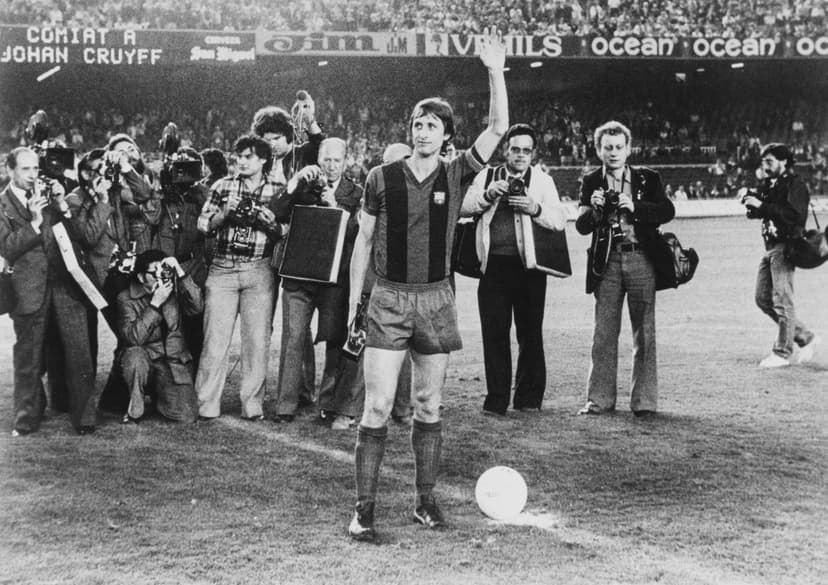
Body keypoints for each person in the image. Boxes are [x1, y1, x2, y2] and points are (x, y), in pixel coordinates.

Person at [346, 27, 508, 542]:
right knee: (376, 406)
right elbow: (363, 244)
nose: (422, 132)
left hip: (437, 299)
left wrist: (495, 71)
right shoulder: (381, 176)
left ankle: (425, 501)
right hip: (389, 298)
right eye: (417, 124)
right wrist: (356, 304)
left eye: (432, 125)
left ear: (446, 136)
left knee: (428, 405)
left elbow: (499, 127)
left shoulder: (456, 174)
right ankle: (364, 509)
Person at [460, 123, 567, 416]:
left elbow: (559, 220)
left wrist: (535, 208)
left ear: (533, 154)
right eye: (515, 149)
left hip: (530, 267)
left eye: (526, 151)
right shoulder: (486, 175)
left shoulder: (543, 181)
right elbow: (462, 207)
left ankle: (528, 398)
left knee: (530, 333)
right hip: (493, 266)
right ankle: (496, 399)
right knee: (494, 332)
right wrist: (488, 195)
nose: (520, 155)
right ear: (505, 150)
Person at [574, 121, 675, 419]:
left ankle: (644, 402)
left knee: (645, 331)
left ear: (629, 149)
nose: (614, 152)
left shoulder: (647, 178)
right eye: (608, 147)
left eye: (619, 147)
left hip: (642, 258)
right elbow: (581, 226)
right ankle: (599, 400)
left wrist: (636, 207)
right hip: (607, 262)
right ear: (599, 150)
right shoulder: (591, 180)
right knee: (604, 332)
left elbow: (667, 211)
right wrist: (594, 211)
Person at [0, 147, 97, 435]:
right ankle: (26, 420)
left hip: (65, 282)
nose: (33, 175)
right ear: (10, 170)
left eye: (35, 168)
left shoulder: (48, 193)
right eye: (25, 169)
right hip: (27, 288)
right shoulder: (2, 204)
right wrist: (34, 223)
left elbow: (77, 236)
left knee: (80, 352)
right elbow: (6, 248)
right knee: (28, 358)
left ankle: (85, 418)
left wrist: (62, 205)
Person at [272, 137, 363, 423]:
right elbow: (276, 211)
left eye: (337, 160)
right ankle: (286, 405)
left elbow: (357, 234)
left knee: (334, 341)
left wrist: (334, 205)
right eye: (326, 159)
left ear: (346, 162)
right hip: (299, 277)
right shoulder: (303, 184)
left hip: (335, 279)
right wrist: (296, 180)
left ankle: (328, 404)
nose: (331, 165)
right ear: (318, 159)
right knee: (293, 339)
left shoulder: (357, 192)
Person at [194, 134, 282, 421]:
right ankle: (206, 403)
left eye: (248, 156)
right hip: (223, 267)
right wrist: (224, 214)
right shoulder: (222, 186)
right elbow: (203, 225)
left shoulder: (278, 189)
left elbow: (287, 231)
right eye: (239, 156)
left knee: (257, 341)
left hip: (259, 268)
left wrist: (269, 222)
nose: (241, 162)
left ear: (263, 159)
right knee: (215, 340)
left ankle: (252, 404)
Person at [251, 100, 323, 410]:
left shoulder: (303, 155)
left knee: (297, 324)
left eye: (277, 137)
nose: (272, 144)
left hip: (299, 245)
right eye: (266, 139)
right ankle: (257, 386)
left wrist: (311, 121)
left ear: (288, 135)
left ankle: (303, 389)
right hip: (265, 246)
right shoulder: (259, 164)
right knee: (262, 319)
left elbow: (319, 143)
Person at [741, 143, 820, 367]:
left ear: (784, 161)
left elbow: (794, 216)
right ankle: (805, 337)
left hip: (786, 246)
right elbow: (761, 212)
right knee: (763, 298)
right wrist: (751, 204)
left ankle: (782, 352)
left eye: (770, 161)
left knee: (782, 300)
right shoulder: (772, 184)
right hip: (771, 247)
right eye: (763, 162)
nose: (765, 166)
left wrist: (761, 205)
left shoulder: (795, 184)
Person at [116, 250, 202, 423]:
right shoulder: (126, 298)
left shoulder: (174, 290)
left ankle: (160, 397)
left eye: (163, 271)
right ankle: (135, 409)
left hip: (171, 362)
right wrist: (155, 304)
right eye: (154, 273)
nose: (160, 277)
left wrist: (180, 272)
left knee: (187, 415)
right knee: (134, 355)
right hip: (144, 360)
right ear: (141, 277)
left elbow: (197, 307)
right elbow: (134, 339)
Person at [158, 147, 210, 370]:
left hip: (193, 265)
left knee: (195, 322)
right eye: (179, 166)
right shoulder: (164, 193)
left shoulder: (203, 193)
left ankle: (196, 375)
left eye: (189, 165)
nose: (183, 171)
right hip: (166, 263)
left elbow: (210, 224)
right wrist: (165, 185)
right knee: (167, 324)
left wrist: (199, 193)